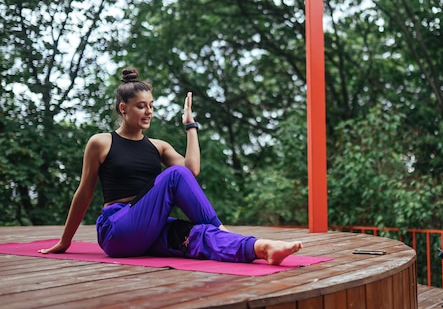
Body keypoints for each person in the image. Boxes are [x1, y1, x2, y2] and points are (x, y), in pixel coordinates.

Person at [39, 68, 302, 265]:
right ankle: (220, 228)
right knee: (176, 175)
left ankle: (263, 248)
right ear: (123, 108)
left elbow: (193, 170)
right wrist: (65, 240)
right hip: (117, 230)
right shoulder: (101, 142)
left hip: (151, 228)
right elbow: (84, 192)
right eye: (141, 106)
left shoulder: (158, 146)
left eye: (151, 106)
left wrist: (190, 125)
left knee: (197, 235)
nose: (149, 111)